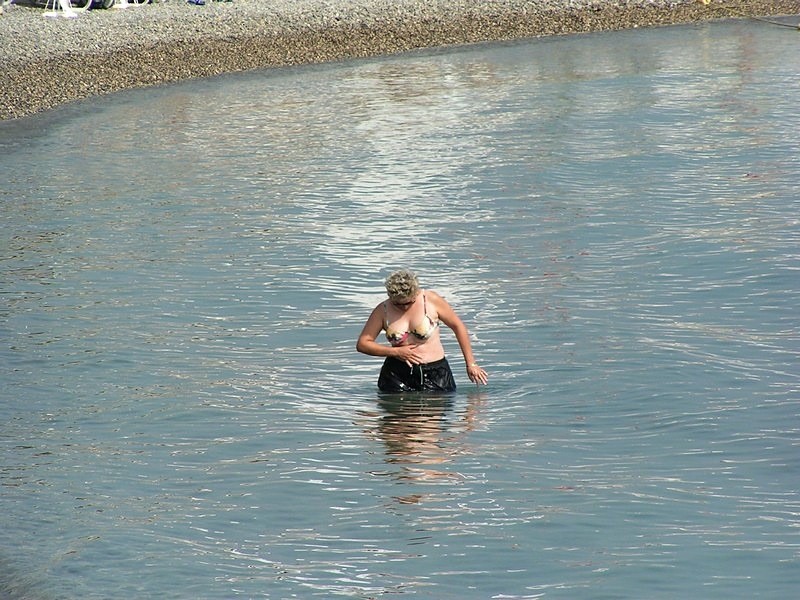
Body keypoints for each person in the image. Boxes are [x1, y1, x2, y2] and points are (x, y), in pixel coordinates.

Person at [356, 269, 488, 393]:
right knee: (396, 416)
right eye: (398, 304)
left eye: (409, 303)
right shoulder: (382, 310)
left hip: (435, 372)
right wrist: (395, 352)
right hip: (396, 374)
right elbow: (363, 343)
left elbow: (458, 327)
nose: (404, 307)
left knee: (435, 413)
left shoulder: (431, 300)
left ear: (416, 293)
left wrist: (471, 364)